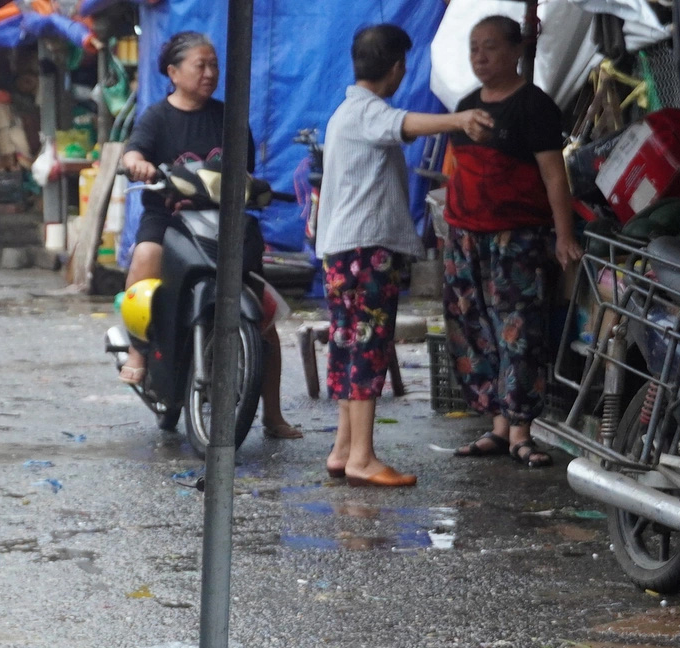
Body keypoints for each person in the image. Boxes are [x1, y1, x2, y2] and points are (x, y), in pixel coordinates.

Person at [315, 25, 495, 488]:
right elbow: (405, 124)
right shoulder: (367, 113)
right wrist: (460, 120)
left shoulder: (344, 114)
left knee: (348, 345)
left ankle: (343, 449)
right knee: (368, 348)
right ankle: (363, 457)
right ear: (396, 68)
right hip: (365, 249)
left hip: (342, 250)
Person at [117, 31, 300, 440]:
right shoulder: (156, 117)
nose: (210, 73)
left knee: (264, 316)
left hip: (223, 224)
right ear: (173, 72)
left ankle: (272, 414)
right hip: (167, 219)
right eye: (201, 65)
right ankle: (138, 349)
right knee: (146, 257)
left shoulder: (228, 117)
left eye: (214, 65)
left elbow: (246, 172)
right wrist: (137, 165)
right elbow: (134, 151)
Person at [442, 15, 582, 468]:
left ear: (516, 50)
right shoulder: (464, 106)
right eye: (474, 48)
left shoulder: (535, 106)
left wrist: (563, 236)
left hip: (516, 238)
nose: (480, 57)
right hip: (465, 237)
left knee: (518, 330)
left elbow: (553, 175)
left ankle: (522, 430)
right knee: (475, 329)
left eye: (490, 47)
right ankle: (498, 427)